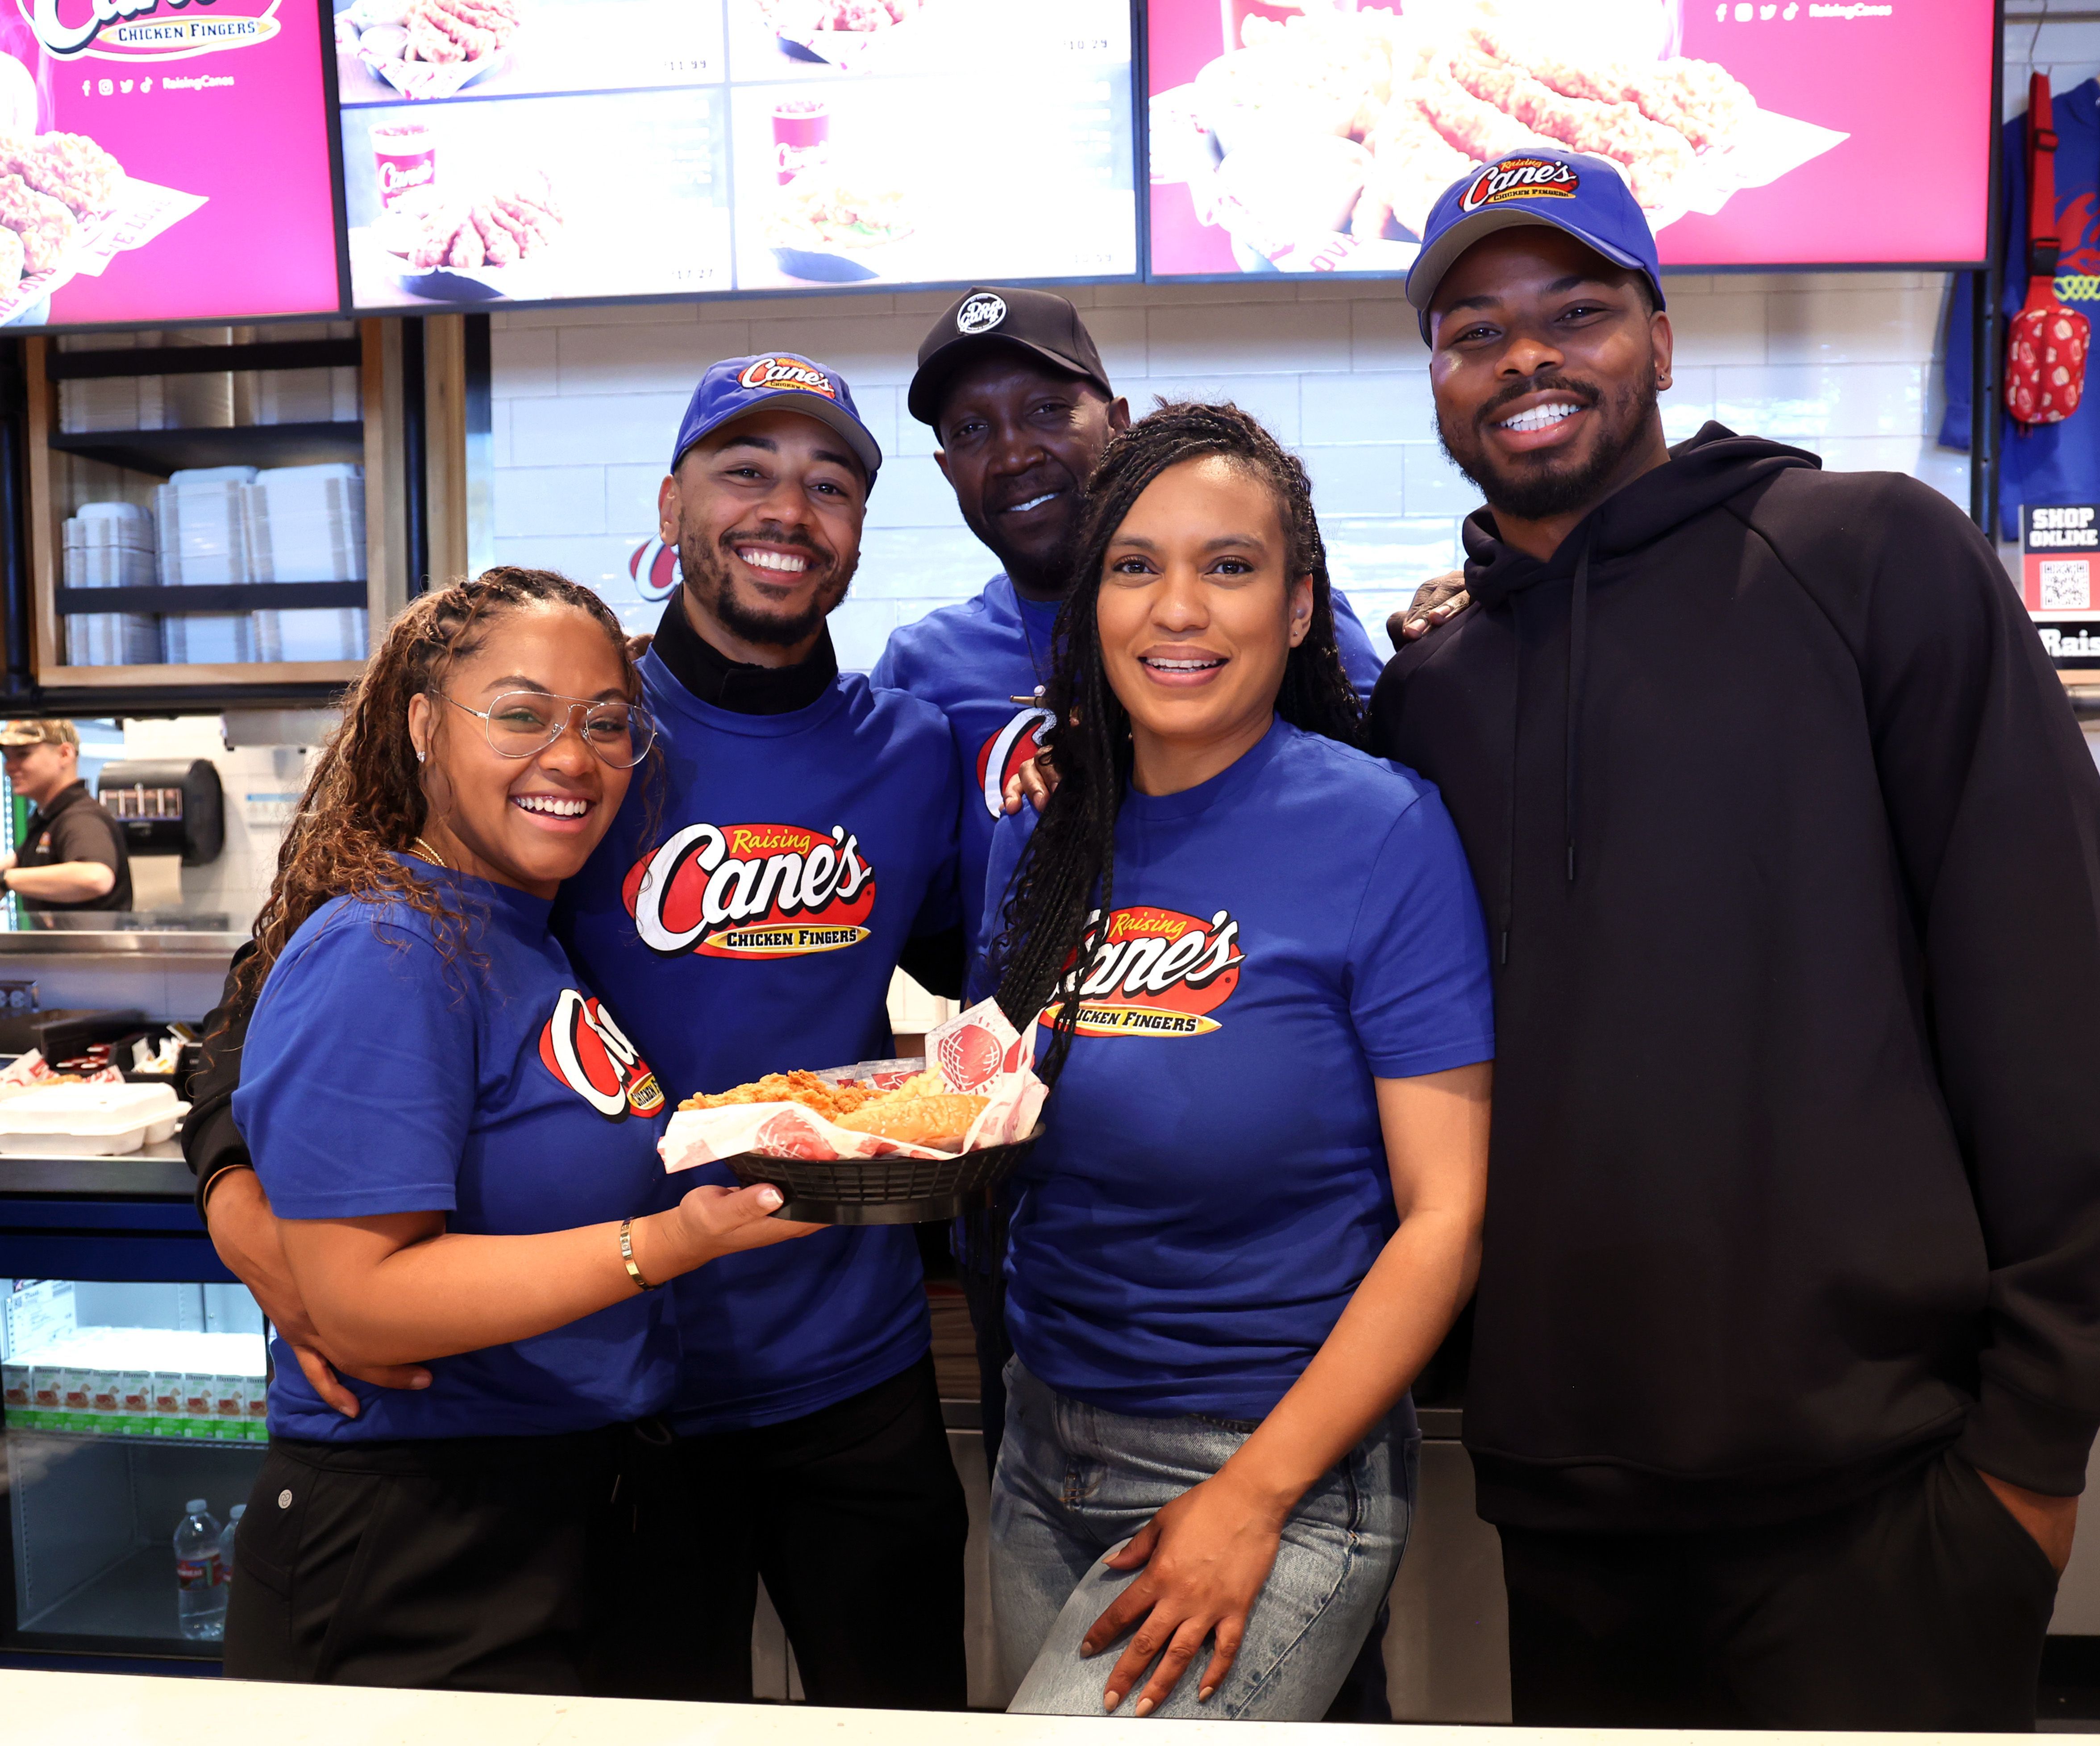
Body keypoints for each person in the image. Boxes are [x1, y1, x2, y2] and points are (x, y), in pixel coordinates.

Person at [1370, 149, 2100, 1729]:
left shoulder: (1875, 561)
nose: (1525, 355)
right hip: (1567, 1500)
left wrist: (2033, 1449)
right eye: (1474, 329)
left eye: (1575, 310)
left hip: (1885, 1488)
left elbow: (2044, 1001)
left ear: (1660, 338)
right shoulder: (1432, 694)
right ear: (1438, 379)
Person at [977, 401, 1494, 1722]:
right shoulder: (1040, 837)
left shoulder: (1381, 832)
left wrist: (1252, 1495)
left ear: (1300, 604)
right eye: (1135, 565)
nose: (1177, 609)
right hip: (1041, 1442)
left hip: (1274, 1459)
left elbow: (1443, 1219)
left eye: (1229, 565)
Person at [216, 567, 809, 1691]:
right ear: (426, 726)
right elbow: (358, 1298)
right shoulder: (385, 947)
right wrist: (669, 1244)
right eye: (523, 714)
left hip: (584, 1507)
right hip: (424, 1544)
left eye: (605, 722)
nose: (572, 757)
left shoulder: (521, 929)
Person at [874, 286, 1391, 1500]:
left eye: (1048, 406)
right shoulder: (923, 670)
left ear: (1114, 416)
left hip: (1268, 1221)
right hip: (1040, 1207)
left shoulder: (1287, 632)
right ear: (948, 468)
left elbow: (1373, 832)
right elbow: (914, 936)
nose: (1017, 448)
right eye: (976, 428)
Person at [550, 353, 972, 1710]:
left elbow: (1005, 983)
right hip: (615, 1372)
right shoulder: (573, 739)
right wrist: (245, 1196)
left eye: (828, 482)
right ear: (673, 499)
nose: (786, 507)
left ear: (857, 524)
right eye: (746, 469)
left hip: (854, 1374)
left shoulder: (911, 752)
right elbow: (328, 950)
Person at [0, 719, 131, 911]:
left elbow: (96, 878)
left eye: (23, 755)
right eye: (7, 757)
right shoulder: (48, 817)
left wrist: (7, 880)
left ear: (65, 754)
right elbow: (17, 862)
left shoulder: (80, 818)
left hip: (90, 942)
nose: (10, 767)